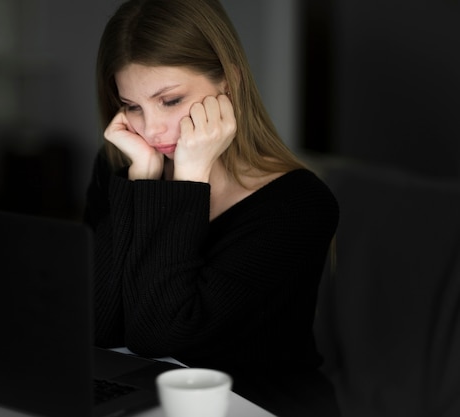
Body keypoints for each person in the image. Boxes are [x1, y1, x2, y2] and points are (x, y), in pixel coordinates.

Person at [83, 0, 340, 415]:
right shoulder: (126, 166)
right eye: (132, 106)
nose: (151, 130)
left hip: (260, 406)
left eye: (169, 100)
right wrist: (143, 183)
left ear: (229, 81)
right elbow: (99, 324)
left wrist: (188, 182)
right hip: (156, 402)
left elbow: (159, 334)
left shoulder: (299, 204)